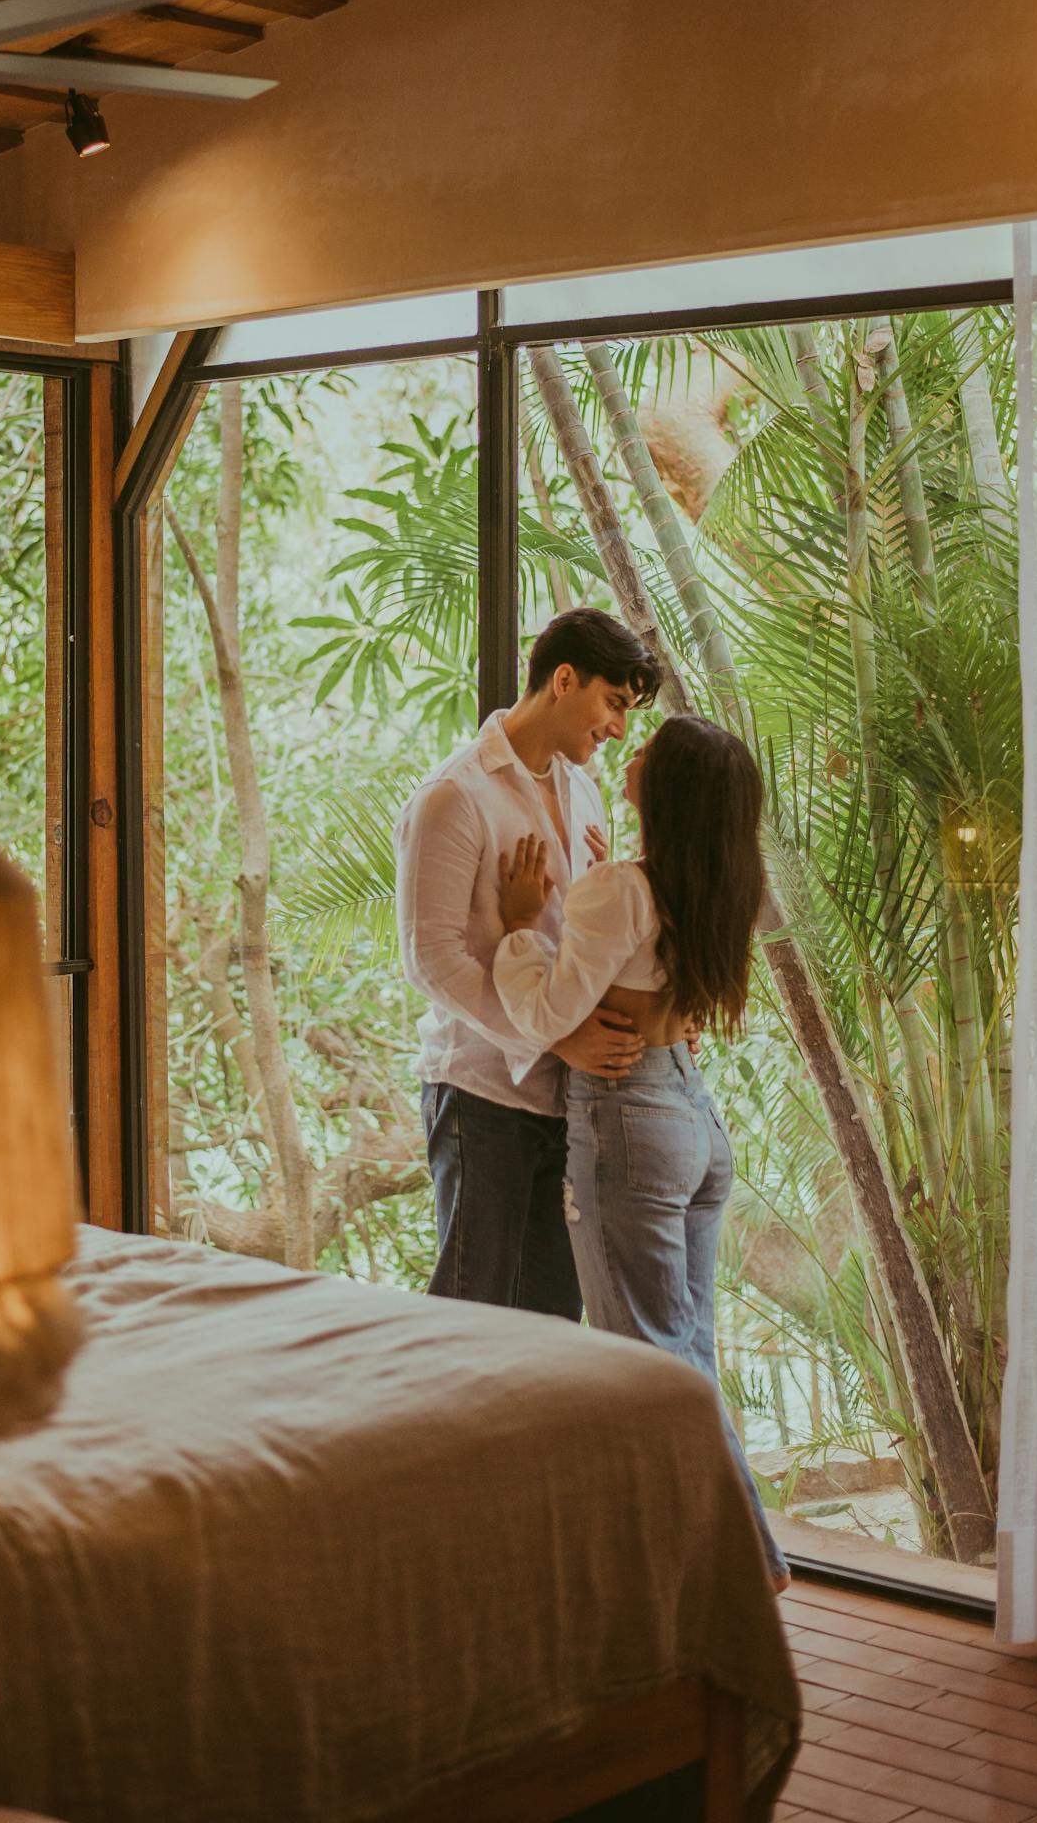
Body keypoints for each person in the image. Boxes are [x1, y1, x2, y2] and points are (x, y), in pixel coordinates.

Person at [492, 714, 790, 1588]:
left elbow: (546, 1013)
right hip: (691, 1118)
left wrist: (519, 927)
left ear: (669, 788)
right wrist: (594, 878)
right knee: (683, 1350)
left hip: (627, 1120)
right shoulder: (723, 885)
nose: (633, 747)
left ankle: (739, 1568)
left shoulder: (620, 889)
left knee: (650, 1365)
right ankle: (725, 1559)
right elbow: (651, 952)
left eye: (649, 746)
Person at [395, 608, 662, 1321]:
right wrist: (554, 1036)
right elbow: (430, 959)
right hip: (483, 1094)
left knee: (550, 1318)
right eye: (613, 703)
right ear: (563, 679)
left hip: (568, 1097)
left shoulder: (582, 788)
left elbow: (582, 932)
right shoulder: (455, 796)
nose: (617, 729)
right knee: (470, 1310)